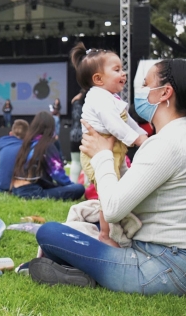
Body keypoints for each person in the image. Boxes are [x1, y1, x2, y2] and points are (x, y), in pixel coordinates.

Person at [25, 59, 186, 296]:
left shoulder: (167, 143)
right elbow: (137, 187)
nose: (139, 91)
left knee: (49, 233)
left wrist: (102, 155)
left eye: (145, 84)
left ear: (165, 93)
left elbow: (113, 209)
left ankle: (77, 269)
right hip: (180, 262)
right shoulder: (183, 135)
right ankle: (76, 268)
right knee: (90, 224)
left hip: (165, 267)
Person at [70, 42, 148, 247]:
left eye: (122, 69)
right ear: (98, 79)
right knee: (108, 194)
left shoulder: (110, 97)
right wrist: (137, 139)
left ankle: (123, 219)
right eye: (117, 70)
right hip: (100, 153)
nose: (123, 73)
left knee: (125, 186)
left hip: (114, 150)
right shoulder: (98, 97)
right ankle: (105, 234)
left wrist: (143, 134)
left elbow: (127, 120)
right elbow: (115, 125)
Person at [11, 111, 85, 201]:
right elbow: (57, 174)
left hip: (16, 189)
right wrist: (71, 185)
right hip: (33, 191)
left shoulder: (26, 144)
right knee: (78, 188)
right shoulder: (46, 145)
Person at [0, 119, 29, 192]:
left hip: (1, 186)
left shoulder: (0, 145)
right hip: (20, 187)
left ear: (10, 134)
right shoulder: (27, 148)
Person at [69, 90, 86, 183]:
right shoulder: (92, 100)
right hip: (87, 134)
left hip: (74, 133)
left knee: (75, 162)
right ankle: (88, 187)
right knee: (89, 162)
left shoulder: (75, 101)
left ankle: (73, 184)